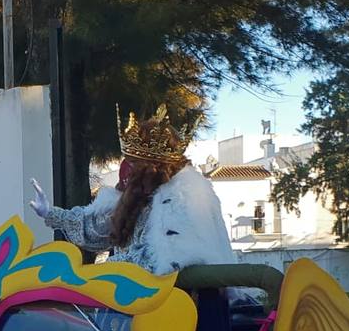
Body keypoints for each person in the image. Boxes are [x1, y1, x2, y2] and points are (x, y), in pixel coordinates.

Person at [29, 105, 232, 275]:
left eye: (134, 164)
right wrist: (50, 213)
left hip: (186, 305)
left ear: (152, 168)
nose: (127, 171)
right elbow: (96, 228)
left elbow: (162, 260)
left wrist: (101, 271)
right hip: (139, 301)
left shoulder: (183, 199)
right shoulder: (138, 194)